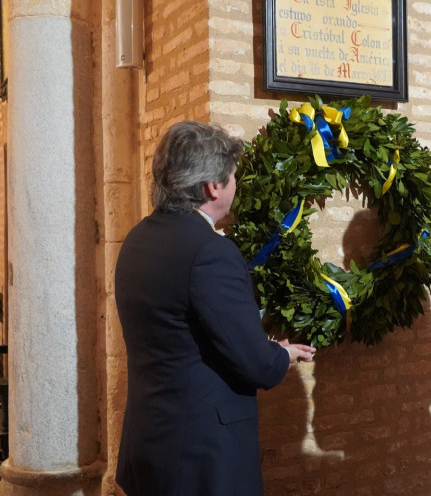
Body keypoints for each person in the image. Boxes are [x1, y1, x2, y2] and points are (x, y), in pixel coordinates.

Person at [115, 121, 316, 496]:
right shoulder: (210, 251)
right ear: (213, 186)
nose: (235, 186)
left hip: (150, 438)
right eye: (233, 177)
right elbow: (255, 362)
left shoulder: (137, 238)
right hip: (200, 454)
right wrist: (282, 354)